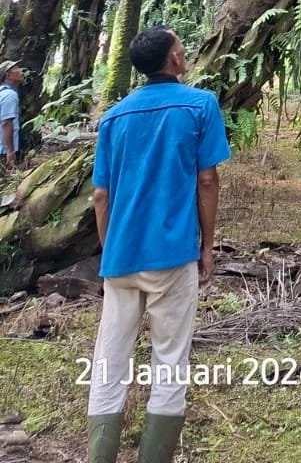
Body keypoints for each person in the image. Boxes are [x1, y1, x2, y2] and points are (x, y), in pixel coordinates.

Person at [87, 26, 230, 463]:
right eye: (181, 48)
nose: (184, 54)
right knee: (170, 359)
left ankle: (99, 456)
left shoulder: (114, 116)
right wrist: (207, 247)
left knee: (110, 359)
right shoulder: (200, 106)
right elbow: (206, 180)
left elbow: (100, 196)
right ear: (174, 59)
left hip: (121, 255)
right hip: (172, 255)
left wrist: (111, 250)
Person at [0, 60, 24, 169]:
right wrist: (10, 152)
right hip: (3, 151)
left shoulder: (2, 92)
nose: (21, 71)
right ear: (8, 75)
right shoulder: (10, 95)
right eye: (16, 68)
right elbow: (6, 123)